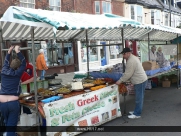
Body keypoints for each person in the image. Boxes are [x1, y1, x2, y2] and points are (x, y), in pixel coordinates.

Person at [0, 45, 26, 136]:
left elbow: (5, 62)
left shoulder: (3, 71)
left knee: (7, 124)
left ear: (10, 65)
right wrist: (18, 51)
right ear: (18, 68)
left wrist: (9, 52)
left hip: (2, 104)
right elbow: (24, 63)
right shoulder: (17, 74)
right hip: (12, 103)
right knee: (11, 129)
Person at [116, 47, 147, 119]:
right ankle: (136, 111)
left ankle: (137, 114)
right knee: (138, 97)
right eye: (123, 54)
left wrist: (120, 81)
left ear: (128, 53)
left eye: (124, 54)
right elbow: (131, 72)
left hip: (140, 81)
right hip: (140, 80)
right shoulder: (133, 58)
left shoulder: (131, 61)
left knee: (139, 98)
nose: (123, 56)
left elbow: (128, 74)